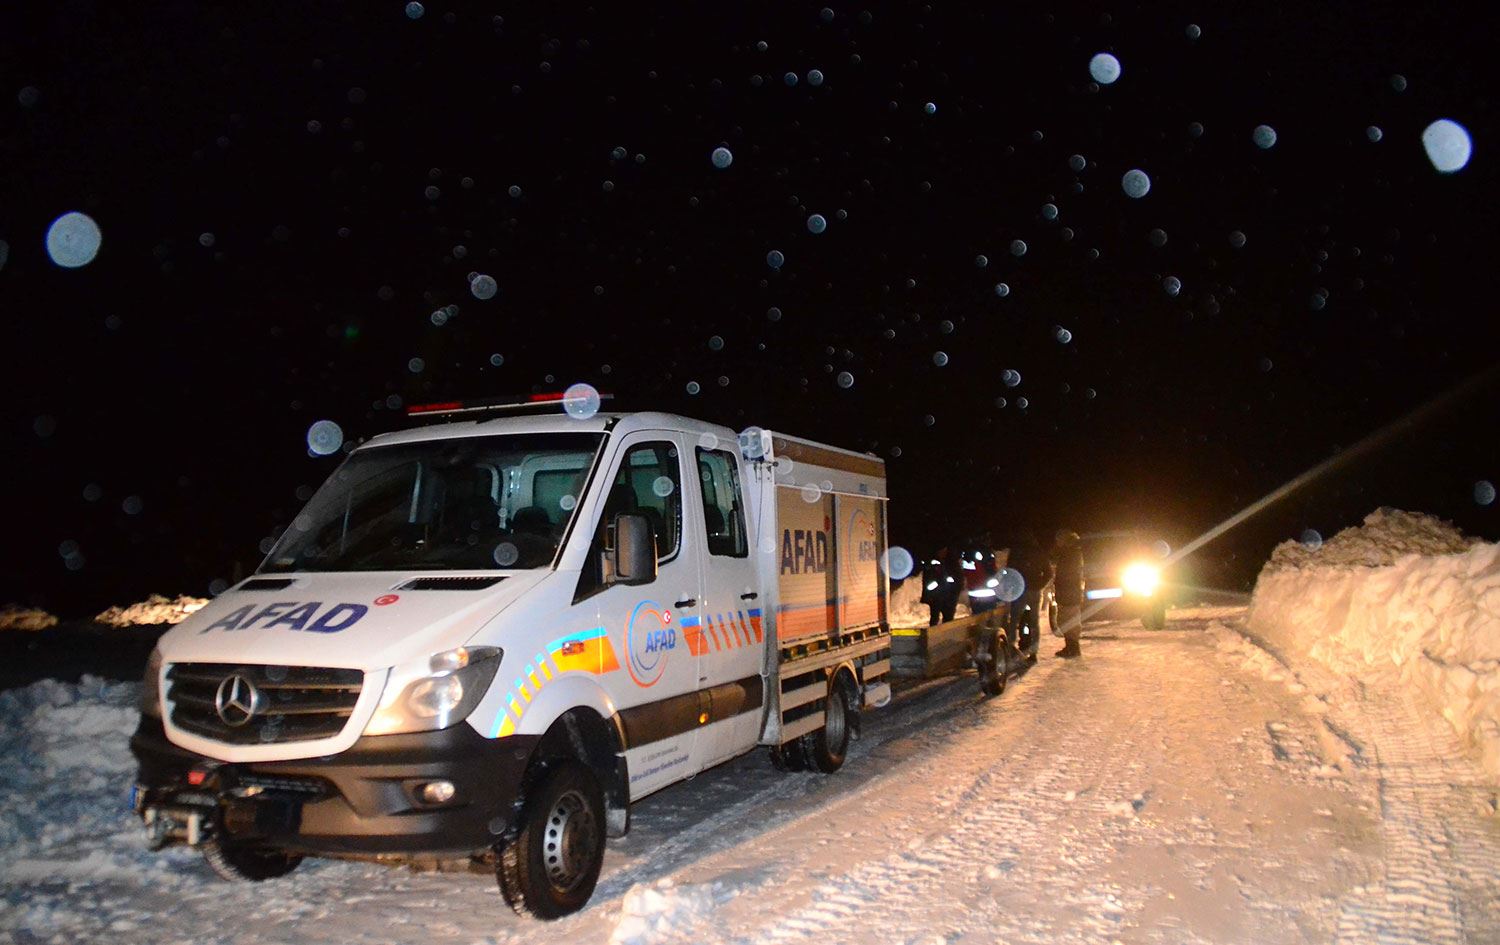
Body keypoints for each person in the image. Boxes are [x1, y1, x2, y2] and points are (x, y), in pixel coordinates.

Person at [1004, 529, 1052, 664]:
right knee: (1034, 623)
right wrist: (1039, 585)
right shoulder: (1039, 552)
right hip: (1035, 592)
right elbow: (1049, 573)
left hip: (1020, 592)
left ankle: (1011, 647)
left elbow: (1009, 572)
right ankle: (1033, 653)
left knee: (1014, 621)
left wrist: (1010, 588)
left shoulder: (1016, 553)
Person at [1051, 529, 1085, 658]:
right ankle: (1070, 647)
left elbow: (1069, 574)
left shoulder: (1071, 553)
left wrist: (1061, 584)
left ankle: (1073, 648)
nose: (1057, 542)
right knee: (1065, 620)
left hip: (1069, 592)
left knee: (1069, 620)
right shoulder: (1070, 552)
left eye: (1059, 540)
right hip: (1068, 592)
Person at [921, 546, 962, 626]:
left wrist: (954, 592)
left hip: (949, 596)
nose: (942, 552)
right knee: (934, 616)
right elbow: (928, 580)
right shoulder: (932, 563)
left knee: (948, 617)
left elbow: (958, 579)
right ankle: (933, 633)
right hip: (936, 596)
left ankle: (946, 632)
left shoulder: (951, 563)